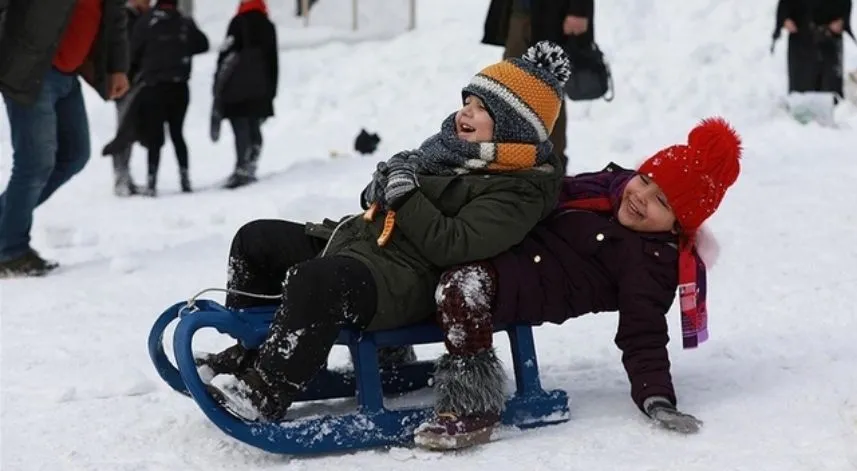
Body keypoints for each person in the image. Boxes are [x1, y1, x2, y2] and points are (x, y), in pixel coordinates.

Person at [197, 41, 572, 422]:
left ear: (512, 126)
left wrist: (405, 194)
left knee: (316, 281)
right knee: (256, 240)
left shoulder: (518, 189)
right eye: (467, 102)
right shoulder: (448, 150)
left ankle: (265, 391)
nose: (465, 113)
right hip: (366, 246)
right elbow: (387, 196)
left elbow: (455, 246)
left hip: (405, 281)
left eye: (481, 109)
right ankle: (253, 350)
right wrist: (382, 186)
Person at [412, 117, 743, 450]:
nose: (641, 196)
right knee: (418, 253)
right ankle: (390, 356)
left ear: (678, 223)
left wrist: (656, 396)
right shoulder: (605, 188)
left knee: (460, 288)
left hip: (525, 285)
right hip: (508, 244)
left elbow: (644, 332)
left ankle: (474, 406)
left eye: (662, 202)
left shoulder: (651, 262)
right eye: (644, 180)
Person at [0, 0, 130, 277]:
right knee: (34, 163)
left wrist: (116, 67)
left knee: (74, 154)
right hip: (29, 70)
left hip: (68, 73)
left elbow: (114, 16)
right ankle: (10, 251)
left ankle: (6, 228)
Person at [481, 0, 595, 174]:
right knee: (511, 86)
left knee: (547, 89)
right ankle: (513, 159)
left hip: (553, 15)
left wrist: (579, 9)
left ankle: (552, 164)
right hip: (520, 11)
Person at [129, 0, 209, 196]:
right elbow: (202, 45)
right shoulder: (184, 23)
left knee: (155, 137)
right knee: (177, 133)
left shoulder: (147, 22)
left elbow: (133, 52)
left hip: (154, 87)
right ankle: (184, 178)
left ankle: (151, 181)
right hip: (179, 87)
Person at [213, 0, 279, 189]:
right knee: (254, 127)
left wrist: (218, 86)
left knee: (240, 128)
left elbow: (226, 55)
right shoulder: (268, 26)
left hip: (237, 88)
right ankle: (251, 164)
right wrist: (271, 92)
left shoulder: (238, 22)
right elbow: (273, 61)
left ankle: (242, 168)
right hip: (260, 87)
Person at [110, 0, 151, 197]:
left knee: (131, 131)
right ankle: (121, 179)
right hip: (127, 83)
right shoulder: (126, 18)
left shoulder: (140, 19)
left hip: (139, 82)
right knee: (124, 132)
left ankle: (126, 178)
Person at [773, 0, 853, 101]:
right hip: (801, 35)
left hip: (829, 37)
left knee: (830, 90)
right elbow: (785, 4)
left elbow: (845, 4)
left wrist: (842, 21)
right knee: (801, 90)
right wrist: (785, 19)